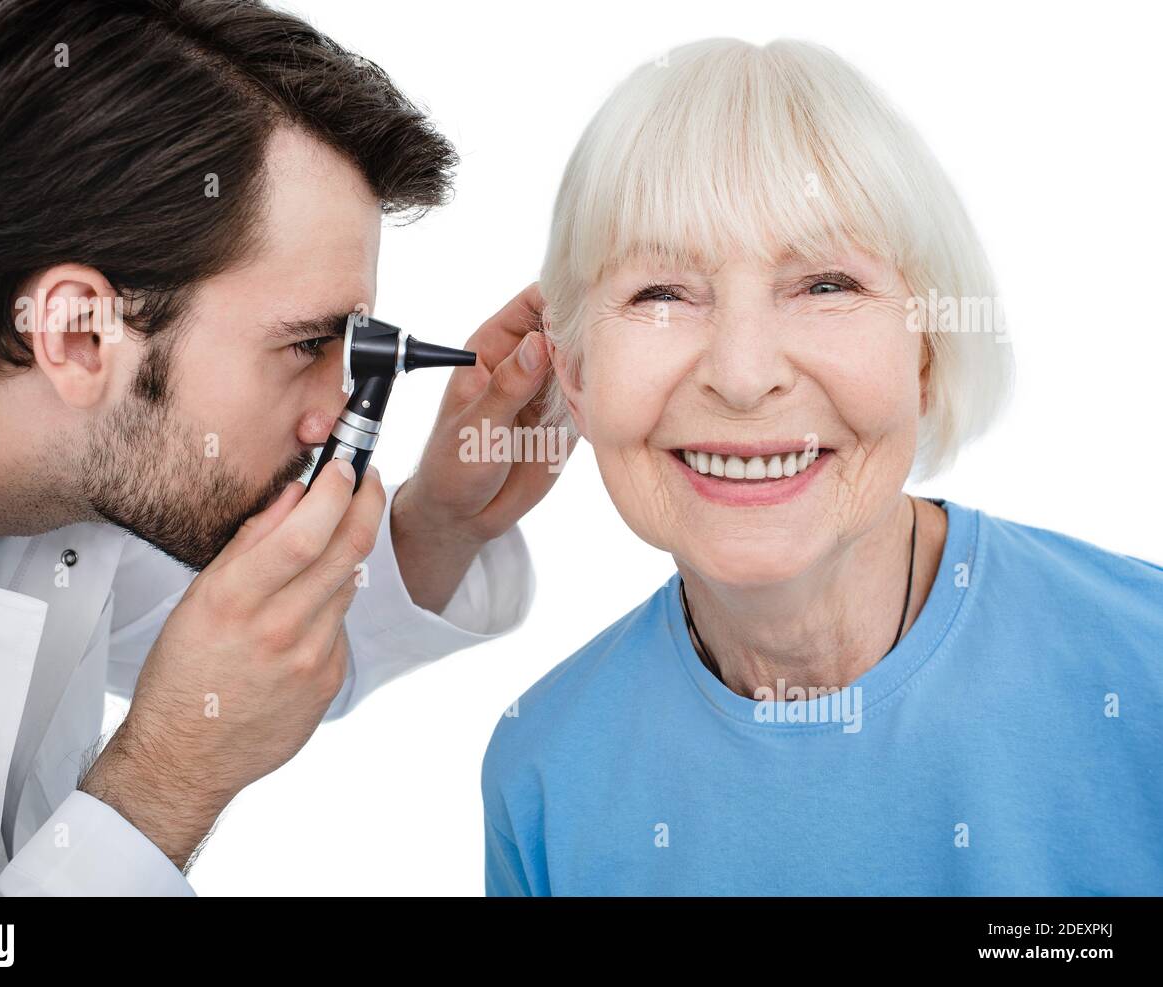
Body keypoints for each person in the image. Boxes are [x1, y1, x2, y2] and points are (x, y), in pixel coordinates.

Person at [0, 0, 567, 895]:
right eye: (307, 345)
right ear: (79, 334)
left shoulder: (71, 494)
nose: (332, 415)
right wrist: (161, 786)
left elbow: (258, 648)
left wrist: (440, 522)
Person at [481, 38, 1163, 896]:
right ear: (573, 376)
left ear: (926, 350)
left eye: (826, 285)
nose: (741, 372)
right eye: (660, 294)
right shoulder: (542, 772)